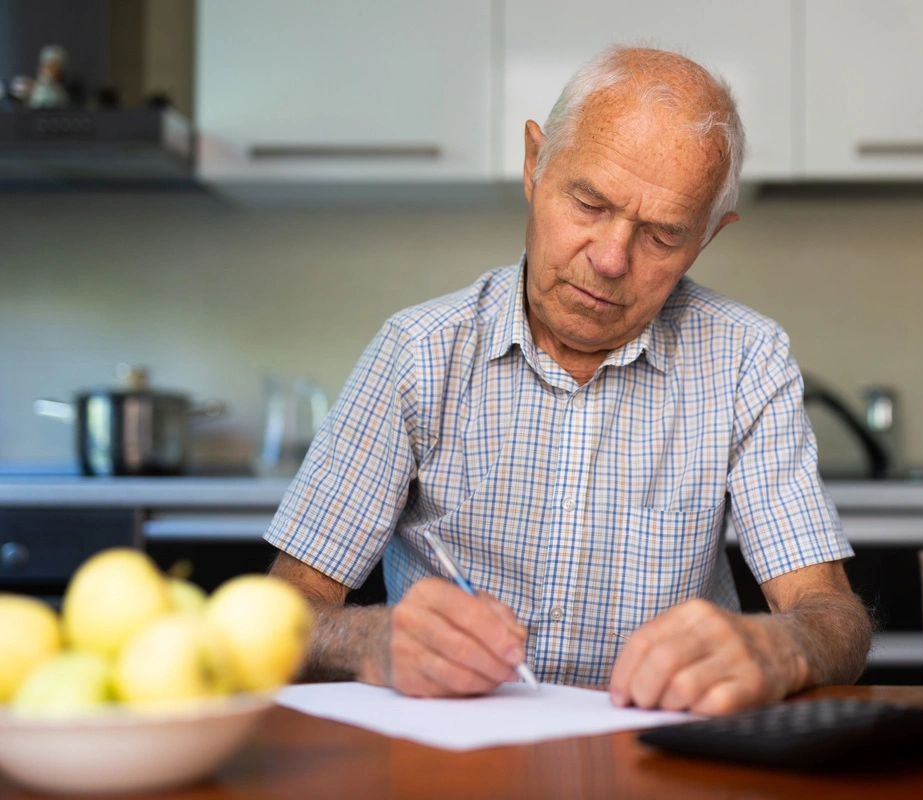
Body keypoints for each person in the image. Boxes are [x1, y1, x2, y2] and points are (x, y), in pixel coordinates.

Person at [265, 45, 872, 715]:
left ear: (708, 236)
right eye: (588, 203)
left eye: (663, 236)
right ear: (534, 163)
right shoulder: (418, 354)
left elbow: (830, 613)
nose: (611, 259)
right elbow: (282, 614)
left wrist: (781, 647)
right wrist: (366, 638)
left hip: (662, 759)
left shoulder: (746, 360)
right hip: (451, 764)